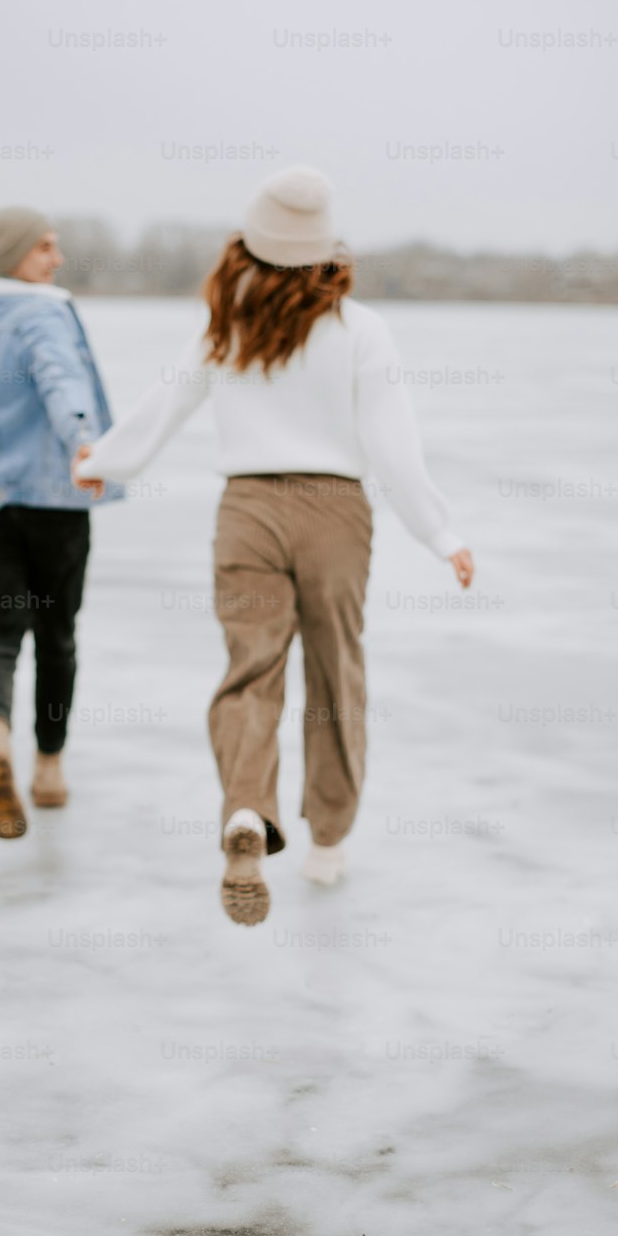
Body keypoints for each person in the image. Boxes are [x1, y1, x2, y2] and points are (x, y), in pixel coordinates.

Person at [73, 166, 473, 926]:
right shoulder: (361, 329)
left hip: (248, 508)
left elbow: (169, 402)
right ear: (328, 249)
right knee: (335, 677)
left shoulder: (228, 320)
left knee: (250, 671)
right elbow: (394, 447)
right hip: (335, 514)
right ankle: (326, 841)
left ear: (252, 241)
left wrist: (103, 464)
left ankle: (247, 813)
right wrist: (440, 532)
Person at [0, 206, 122, 839]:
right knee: (56, 637)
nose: (57, 259)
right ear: (16, 255)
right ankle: (48, 768)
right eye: (45, 247)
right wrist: (84, 443)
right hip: (54, 501)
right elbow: (59, 378)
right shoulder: (41, 313)